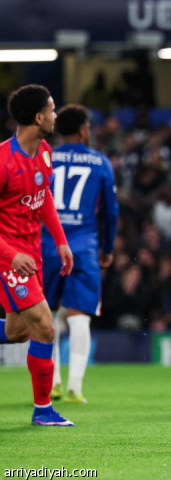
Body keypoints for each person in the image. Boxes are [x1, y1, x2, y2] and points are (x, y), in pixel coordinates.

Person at [0, 85, 74, 426]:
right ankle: (43, 410)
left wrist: (60, 241)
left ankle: (43, 410)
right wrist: (11, 255)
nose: (55, 115)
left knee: (19, 332)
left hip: (32, 254)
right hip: (9, 255)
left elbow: (43, 197)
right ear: (38, 117)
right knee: (45, 327)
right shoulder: (3, 161)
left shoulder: (44, 151)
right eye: (52, 109)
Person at [41, 104, 118, 404]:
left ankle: (52, 383)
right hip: (83, 247)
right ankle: (75, 385)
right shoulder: (100, 162)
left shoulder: (45, 157)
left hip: (47, 245)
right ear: (84, 130)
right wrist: (107, 249)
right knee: (79, 315)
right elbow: (110, 212)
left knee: (45, 315)